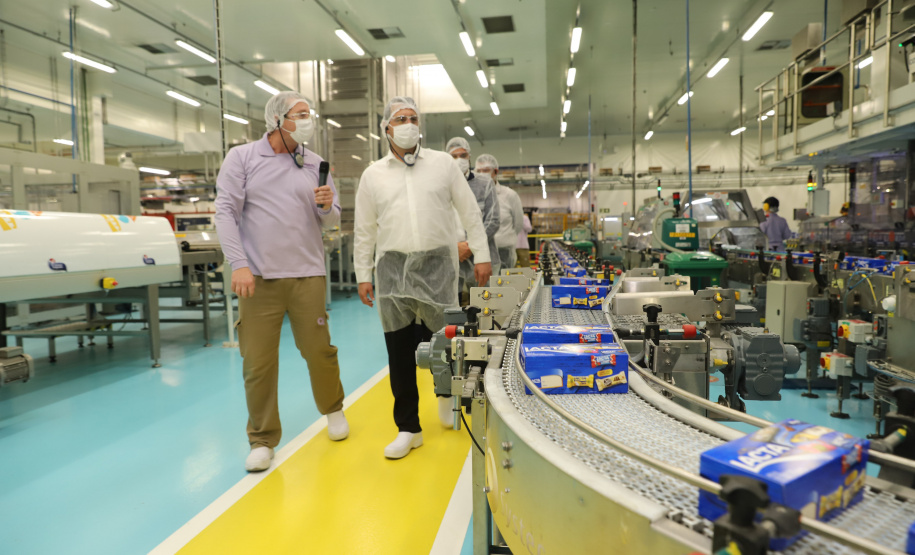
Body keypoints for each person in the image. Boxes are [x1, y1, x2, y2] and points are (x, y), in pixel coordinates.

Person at [215, 91, 348, 472]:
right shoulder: (242, 158)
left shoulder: (315, 163)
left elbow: (332, 219)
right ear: (277, 119)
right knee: (257, 361)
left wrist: (326, 205)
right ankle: (261, 439)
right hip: (258, 277)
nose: (308, 120)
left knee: (319, 351)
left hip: (307, 274)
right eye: (300, 114)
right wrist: (237, 263)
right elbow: (225, 212)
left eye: (310, 114)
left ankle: (333, 410)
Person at [353, 97, 492, 460]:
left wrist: (482, 255)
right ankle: (408, 428)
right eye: (400, 118)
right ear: (386, 127)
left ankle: (446, 398)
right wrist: (362, 274)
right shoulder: (373, 174)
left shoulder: (443, 164)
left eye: (413, 118)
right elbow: (364, 230)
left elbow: (470, 212)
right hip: (392, 270)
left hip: (437, 266)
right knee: (399, 352)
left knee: (444, 342)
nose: (408, 123)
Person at [446, 136, 501, 294]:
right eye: (454, 156)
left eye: (463, 155)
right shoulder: (440, 186)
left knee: (487, 310)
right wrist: (453, 247)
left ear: (470, 156)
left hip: (483, 260)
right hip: (452, 261)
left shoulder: (484, 183)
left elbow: (493, 220)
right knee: (454, 313)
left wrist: (470, 245)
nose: (459, 160)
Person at [475, 154, 524, 268]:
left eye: (486, 170)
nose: (481, 174)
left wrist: (503, 238)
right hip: (479, 252)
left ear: (495, 172)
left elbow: (518, 225)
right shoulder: (471, 195)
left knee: (504, 284)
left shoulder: (510, 195)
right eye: (478, 171)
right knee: (481, 286)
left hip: (504, 252)